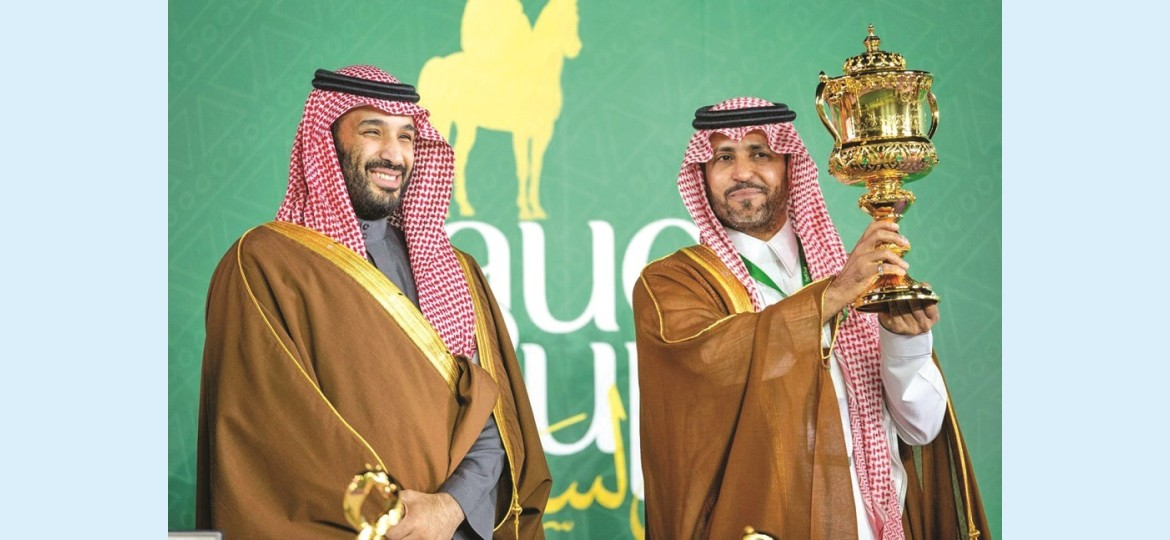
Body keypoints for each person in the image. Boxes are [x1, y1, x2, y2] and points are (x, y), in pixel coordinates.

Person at [195, 65, 551, 539]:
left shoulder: (455, 268)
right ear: (326, 142)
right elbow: (275, 435)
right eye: (372, 131)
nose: (394, 154)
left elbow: (493, 418)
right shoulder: (267, 265)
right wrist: (391, 519)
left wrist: (449, 507)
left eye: (406, 136)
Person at [632, 97, 989, 539]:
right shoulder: (675, 282)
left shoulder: (850, 274)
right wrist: (831, 296)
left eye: (760, 154)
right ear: (701, 174)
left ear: (790, 166)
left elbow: (920, 428)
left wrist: (905, 343)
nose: (742, 172)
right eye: (724, 157)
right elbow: (716, 361)